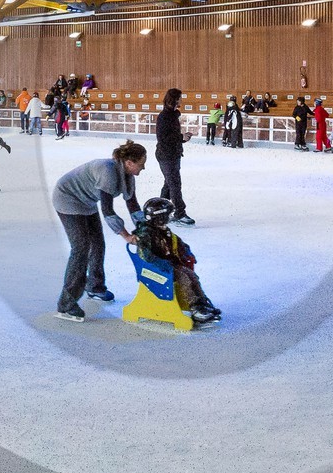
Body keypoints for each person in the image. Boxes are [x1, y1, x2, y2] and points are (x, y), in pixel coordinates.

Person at [51, 140, 146, 321]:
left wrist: (145, 227)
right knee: (81, 248)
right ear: (129, 163)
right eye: (141, 164)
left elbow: (132, 204)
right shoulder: (108, 171)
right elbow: (108, 211)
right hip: (67, 198)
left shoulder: (128, 176)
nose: (143, 168)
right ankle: (66, 304)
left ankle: (94, 287)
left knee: (98, 243)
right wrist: (126, 236)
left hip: (86, 201)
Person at [134, 197, 220, 326]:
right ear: (160, 216)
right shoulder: (146, 234)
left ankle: (201, 303)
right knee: (184, 278)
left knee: (192, 275)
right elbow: (146, 256)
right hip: (156, 269)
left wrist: (186, 251)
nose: (170, 217)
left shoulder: (163, 230)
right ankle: (195, 308)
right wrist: (162, 264)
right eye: (167, 215)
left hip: (168, 265)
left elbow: (177, 242)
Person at [154, 88, 195, 227]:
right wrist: (180, 137)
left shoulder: (172, 116)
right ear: (175, 99)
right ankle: (179, 213)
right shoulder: (165, 116)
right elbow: (162, 138)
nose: (182, 100)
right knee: (174, 184)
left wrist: (183, 138)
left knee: (169, 183)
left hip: (173, 154)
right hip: (166, 155)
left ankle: (160, 211)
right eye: (180, 98)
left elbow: (171, 136)